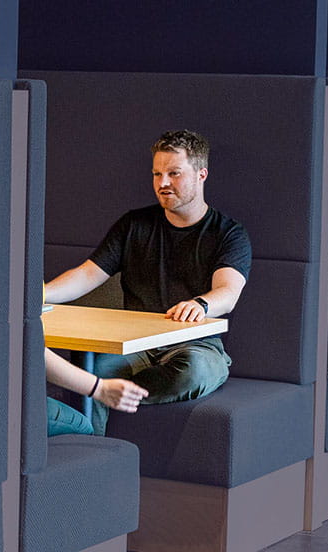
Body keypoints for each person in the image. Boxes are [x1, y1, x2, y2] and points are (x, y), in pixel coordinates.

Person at [45, 130, 251, 436]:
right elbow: (89, 274)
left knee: (194, 370)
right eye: (157, 174)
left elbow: (228, 292)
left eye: (174, 173)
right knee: (94, 371)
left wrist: (201, 303)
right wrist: (42, 293)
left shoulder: (228, 233)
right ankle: (93, 455)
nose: (163, 183)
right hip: (136, 344)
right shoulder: (134, 225)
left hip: (196, 344)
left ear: (201, 174)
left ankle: (118, 396)